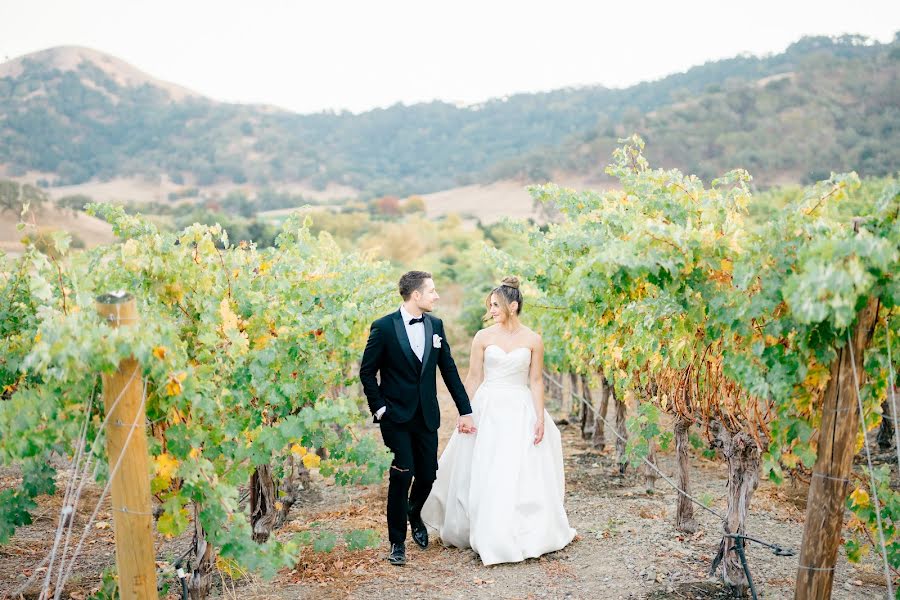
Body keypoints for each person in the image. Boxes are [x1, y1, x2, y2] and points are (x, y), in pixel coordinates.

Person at [421, 276, 576, 565]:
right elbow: (474, 376)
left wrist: (539, 417)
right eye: (490, 305)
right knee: (484, 465)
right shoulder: (482, 337)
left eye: (495, 305)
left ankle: (515, 529)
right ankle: (481, 525)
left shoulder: (533, 339)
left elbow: (536, 380)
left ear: (513, 306)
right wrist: (465, 411)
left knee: (514, 468)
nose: (491, 310)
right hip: (487, 406)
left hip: (519, 407)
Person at [359, 271, 476, 566]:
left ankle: (415, 511)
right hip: (395, 417)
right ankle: (397, 543)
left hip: (426, 415)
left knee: (428, 475)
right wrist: (380, 408)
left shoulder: (435, 325)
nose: (436, 296)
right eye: (432, 291)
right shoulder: (384, 327)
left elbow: (448, 369)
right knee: (402, 475)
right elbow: (367, 372)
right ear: (416, 296)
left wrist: (465, 409)